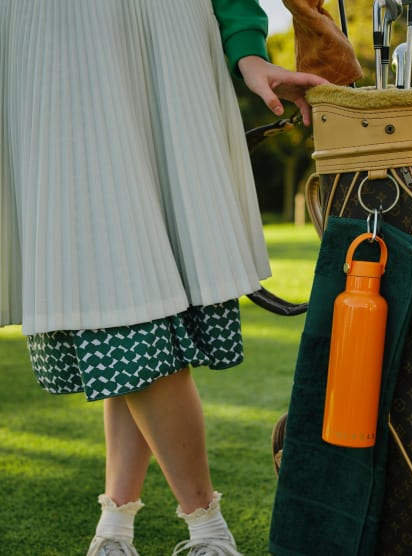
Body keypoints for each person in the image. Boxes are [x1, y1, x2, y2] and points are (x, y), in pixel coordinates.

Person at [0, 1, 327, 554]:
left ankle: (195, 533)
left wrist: (247, 49)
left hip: (161, 42)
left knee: (127, 302)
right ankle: (134, 528)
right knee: (116, 306)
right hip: (50, 52)